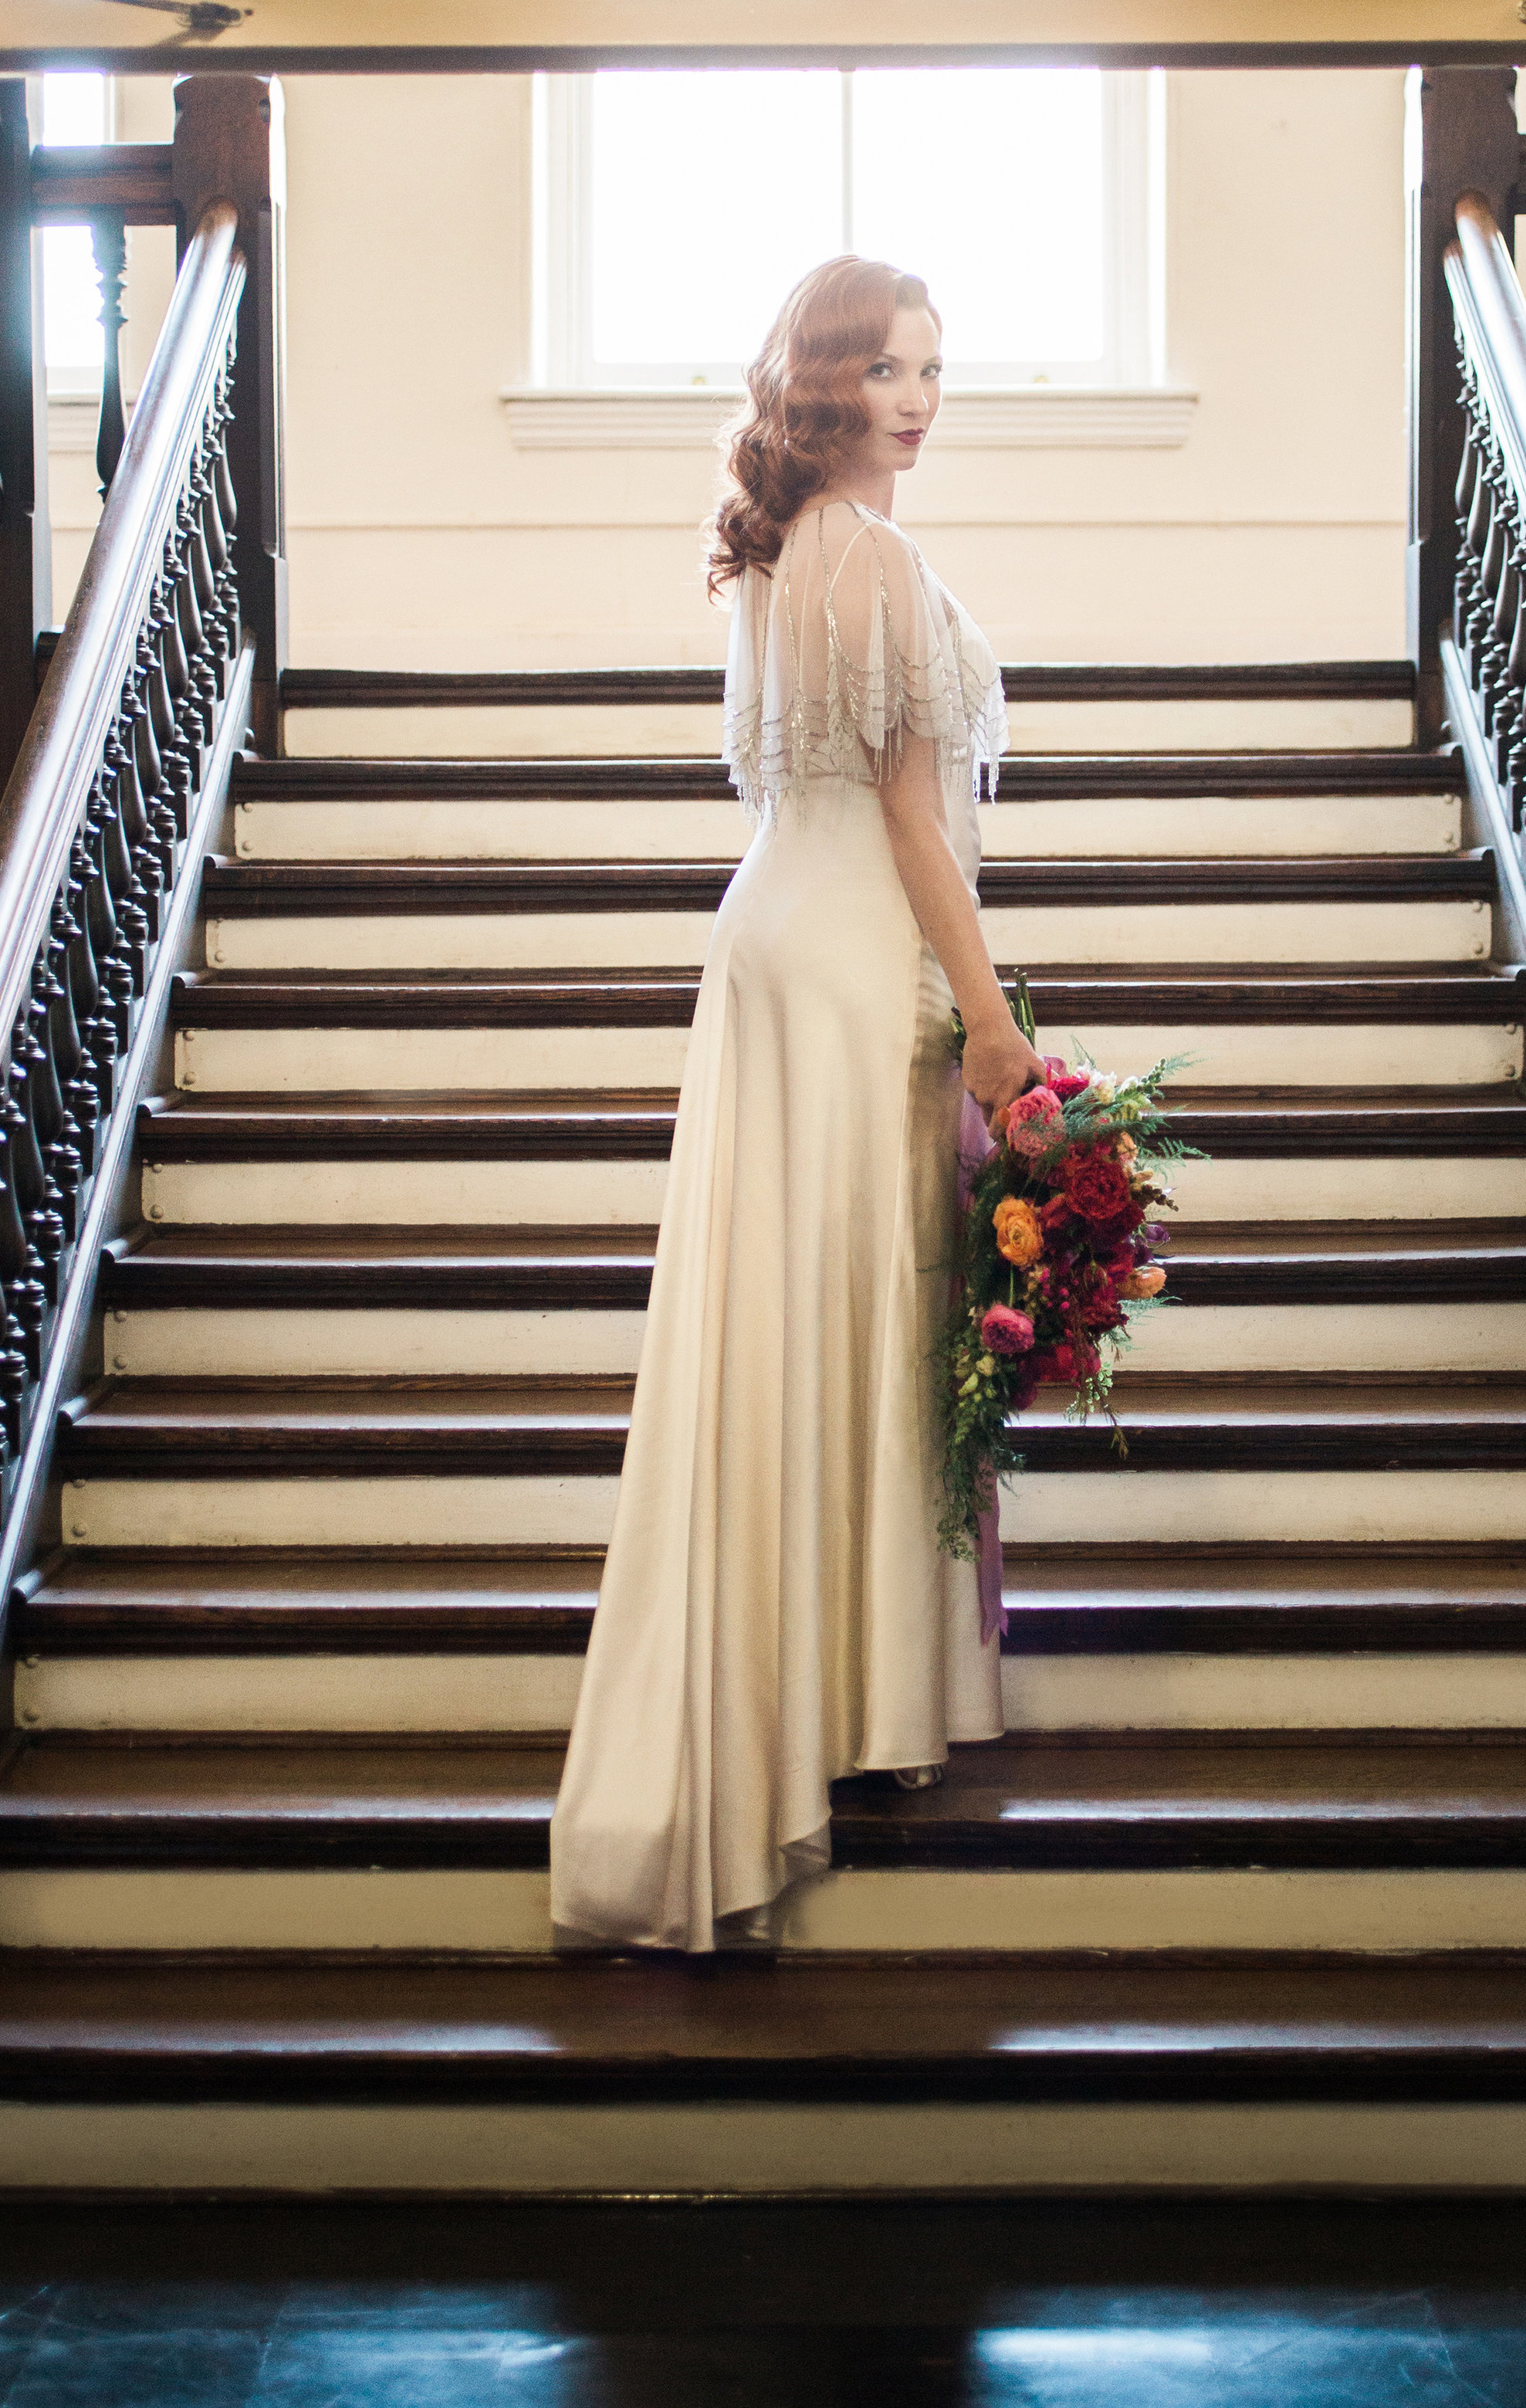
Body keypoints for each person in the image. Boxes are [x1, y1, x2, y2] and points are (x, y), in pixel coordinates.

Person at [548, 255, 1045, 1952]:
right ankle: (846, 1707)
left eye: (932, 363)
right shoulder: (875, 556)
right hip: (841, 962)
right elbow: (916, 823)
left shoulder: (775, 550)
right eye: (888, 367)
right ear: (826, 383)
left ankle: (824, 1699)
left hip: (772, 936)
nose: (916, 394)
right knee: (853, 1319)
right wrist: (993, 1028)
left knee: (797, 1327)